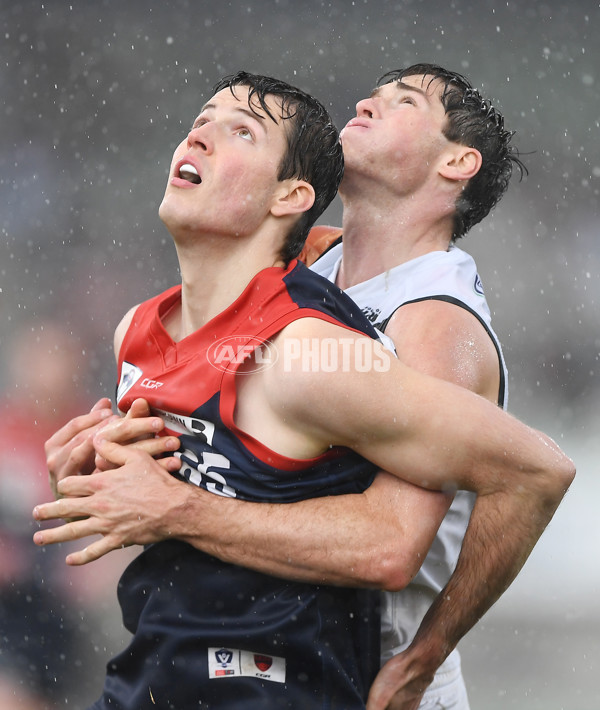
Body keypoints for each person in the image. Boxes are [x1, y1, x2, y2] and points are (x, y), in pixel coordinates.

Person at [33, 70, 575, 710]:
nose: (366, 101)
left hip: (376, 669)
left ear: (458, 162)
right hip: (243, 648)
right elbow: (224, 460)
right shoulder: (310, 261)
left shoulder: (434, 323)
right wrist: (109, 469)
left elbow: (391, 546)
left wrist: (424, 658)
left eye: (404, 101)